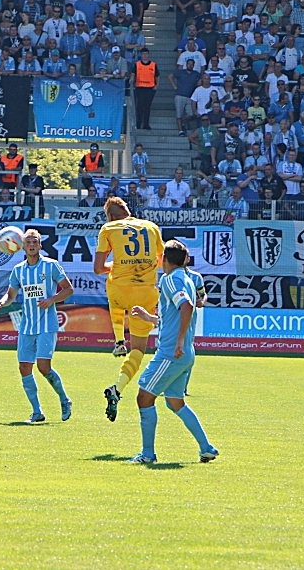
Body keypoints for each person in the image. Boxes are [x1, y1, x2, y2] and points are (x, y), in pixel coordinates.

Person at [126, 239, 218, 464]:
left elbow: (186, 306)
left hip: (171, 353)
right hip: (185, 353)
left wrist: (177, 342)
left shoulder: (169, 279)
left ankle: (147, 454)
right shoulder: (187, 279)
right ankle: (207, 448)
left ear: (163, 260)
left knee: (144, 397)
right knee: (175, 402)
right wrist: (150, 318)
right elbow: (177, 314)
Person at [0, 229, 74, 423]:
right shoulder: (18, 270)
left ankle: (64, 399)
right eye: (28, 242)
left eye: (35, 242)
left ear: (40, 245)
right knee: (24, 367)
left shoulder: (51, 265)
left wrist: (52, 300)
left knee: (43, 367)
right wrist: (2, 302)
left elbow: (69, 289)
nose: (31, 245)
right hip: (27, 326)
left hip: (47, 324)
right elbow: (11, 295)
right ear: (22, 246)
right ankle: (37, 411)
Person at [96, 197, 164, 422]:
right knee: (139, 351)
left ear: (111, 216)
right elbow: (162, 262)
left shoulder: (108, 227)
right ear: (128, 211)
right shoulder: (152, 227)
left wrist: (115, 265)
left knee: (111, 279)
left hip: (119, 292)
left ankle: (117, 341)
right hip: (145, 293)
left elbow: (98, 268)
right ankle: (117, 388)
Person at [131, 47, 160, 129]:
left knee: (147, 107)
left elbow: (157, 76)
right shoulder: (137, 64)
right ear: (141, 55)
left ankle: (146, 124)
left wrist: (156, 85)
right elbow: (133, 74)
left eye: (146, 54)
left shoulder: (153, 65)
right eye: (143, 54)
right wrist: (131, 80)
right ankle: (138, 123)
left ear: (148, 55)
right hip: (140, 88)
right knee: (139, 106)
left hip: (150, 88)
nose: (145, 55)